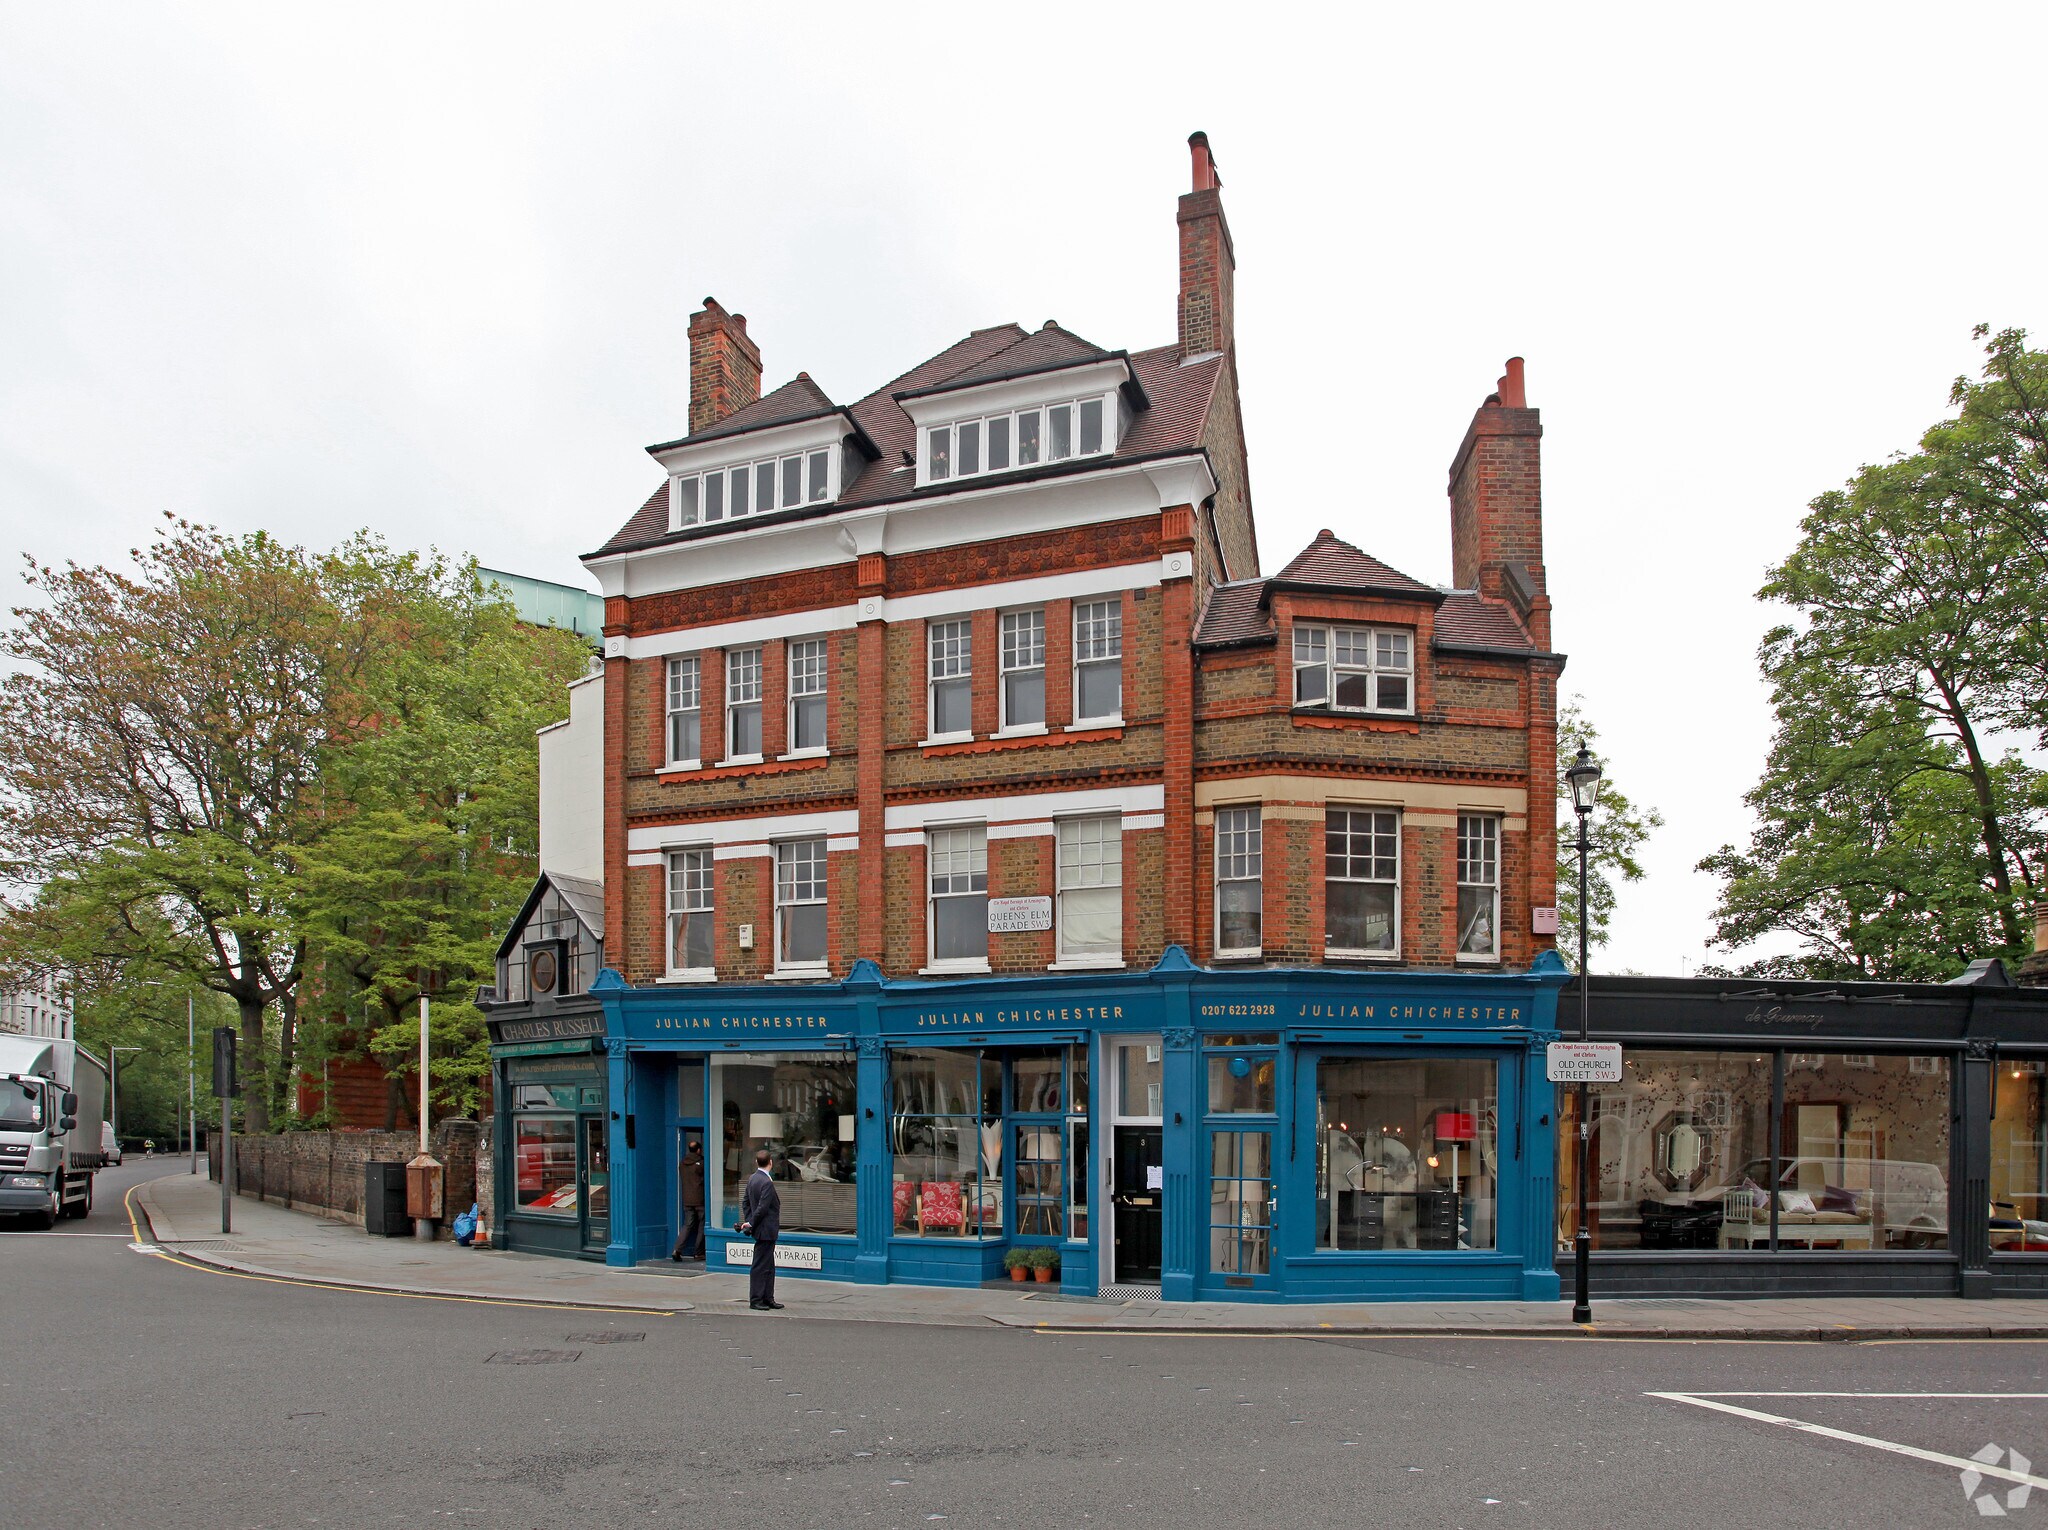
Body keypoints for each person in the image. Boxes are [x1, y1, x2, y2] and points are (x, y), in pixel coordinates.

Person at [737, 1148, 782, 1310]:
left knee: (769, 1265)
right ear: (771, 1162)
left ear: (757, 1162)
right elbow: (763, 1208)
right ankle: (756, 1299)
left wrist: (749, 1221)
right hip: (766, 1230)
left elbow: (745, 1203)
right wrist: (751, 1223)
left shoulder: (752, 1179)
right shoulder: (766, 1183)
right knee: (760, 1266)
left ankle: (768, 1297)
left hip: (763, 1229)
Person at [669, 1140, 705, 1262]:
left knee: (687, 1225)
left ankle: (677, 1249)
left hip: (687, 1199)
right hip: (700, 1199)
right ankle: (698, 1252)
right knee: (702, 1225)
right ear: (699, 1150)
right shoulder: (701, 1163)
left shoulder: (682, 1163)